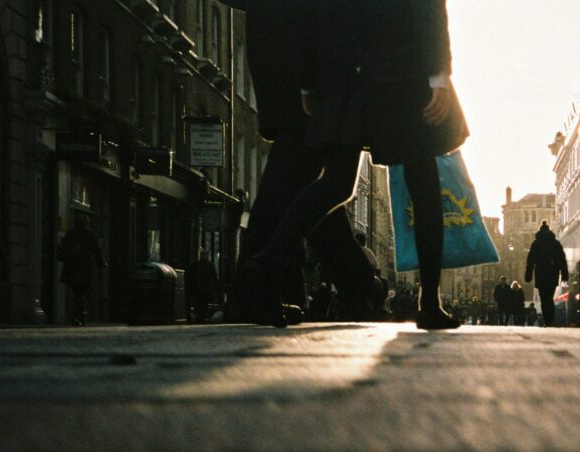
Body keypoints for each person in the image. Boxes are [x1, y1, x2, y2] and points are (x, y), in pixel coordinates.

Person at [245, 0, 467, 330]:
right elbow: (428, 9)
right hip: (401, 73)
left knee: (336, 182)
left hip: (342, 74)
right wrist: (439, 75)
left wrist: (309, 80)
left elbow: (313, 13)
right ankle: (430, 302)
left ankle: (266, 264)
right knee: (423, 184)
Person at [217, 0, 386, 326]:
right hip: (305, 70)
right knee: (291, 185)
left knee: (310, 186)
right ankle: (251, 289)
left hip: (298, 64)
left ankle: (357, 286)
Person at [57, 213, 106, 326]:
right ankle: (80, 315)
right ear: (87, 223)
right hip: (84, 268)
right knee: (81, 292)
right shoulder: (90, 234)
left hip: (71, 267)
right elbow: (97, 251)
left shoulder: (70, 233)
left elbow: (62, 248)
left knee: (76, 292)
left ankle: (77, 316)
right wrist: (101, 264)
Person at [524, 221, 568, 327]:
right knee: (550, 297)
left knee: (544, 299)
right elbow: (562, 260)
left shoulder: (536, 243)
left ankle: (547, 321)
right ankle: (550, 320)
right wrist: (564, 275)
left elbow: (530, 260)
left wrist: (528, 275)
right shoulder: (556, 244)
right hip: (553, 274)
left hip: (541, 274)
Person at [186, 250, 220, 323]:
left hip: (198, 289)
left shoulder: (196, 265)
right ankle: (202, 317)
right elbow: (214, 278)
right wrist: (216, 288)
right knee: (204, 304)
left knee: (199, 304)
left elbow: (191, 277)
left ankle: (199, 317)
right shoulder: (210, 265)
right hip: (206, 289)